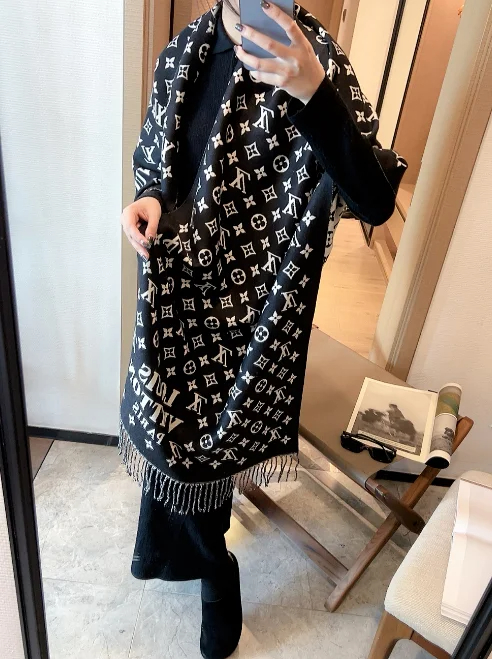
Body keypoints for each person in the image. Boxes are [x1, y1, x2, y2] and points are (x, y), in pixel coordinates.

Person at [120, 2, 408, 658]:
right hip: (173, 292)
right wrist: (149, 198)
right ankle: (197, 558)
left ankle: (214, 570)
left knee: (207, 446)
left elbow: (373, 200)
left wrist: (314, 94)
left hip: (257, 313)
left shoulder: (316, 59)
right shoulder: (183, 54)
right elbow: (157, 165)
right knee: (170, 433)